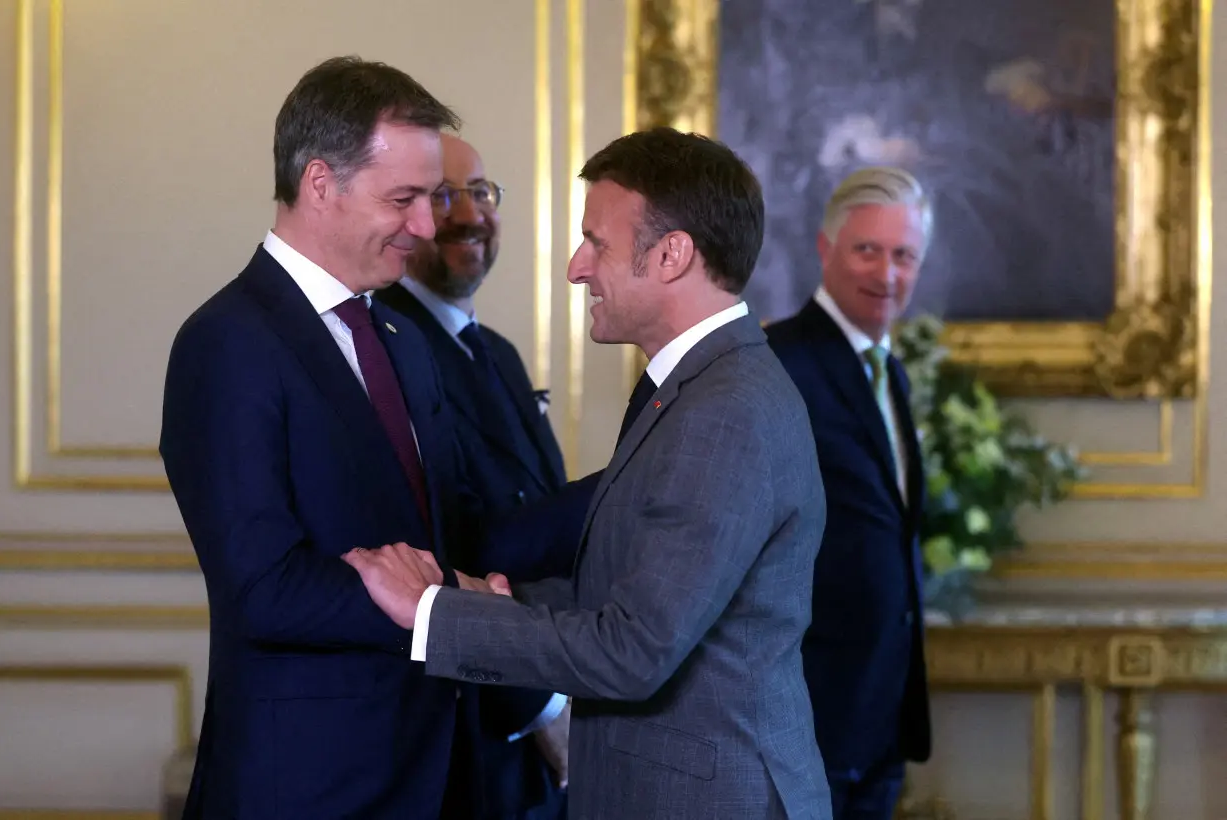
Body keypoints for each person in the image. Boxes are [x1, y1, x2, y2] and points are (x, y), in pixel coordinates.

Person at [343, 127, 834, 820]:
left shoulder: (725, 411)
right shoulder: (696, 389)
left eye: (596, 243)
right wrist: (484, 594)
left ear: (671, 255)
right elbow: (636, 585)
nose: (577, 267)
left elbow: (633, 650)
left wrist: (433, 614)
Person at [159, 56, 557, 819]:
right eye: (404, 198)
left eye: (431, 197)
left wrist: (638, 474)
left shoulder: (405, 340)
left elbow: (466, 532)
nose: (426, 225)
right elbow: (263, 591)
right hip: (307, 787)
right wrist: (447, 601)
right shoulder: (226, 342)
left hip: (441, 774)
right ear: (319, 183)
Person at [376, 133, 570, 819]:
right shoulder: (387, 352)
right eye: (444, 196)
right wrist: (542, 704)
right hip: (471, 735)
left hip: (539, 716)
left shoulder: (500, 355)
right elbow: (449, 546)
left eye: (481, 192)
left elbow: (541, 532)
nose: (469, 215)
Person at [764, 166, 933, 820]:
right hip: (807, 712)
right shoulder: (781, 361)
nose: (887, 273)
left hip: (881, 714)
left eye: (904, 255)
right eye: (868, 250)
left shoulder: (889, 371)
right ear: (825, 248)